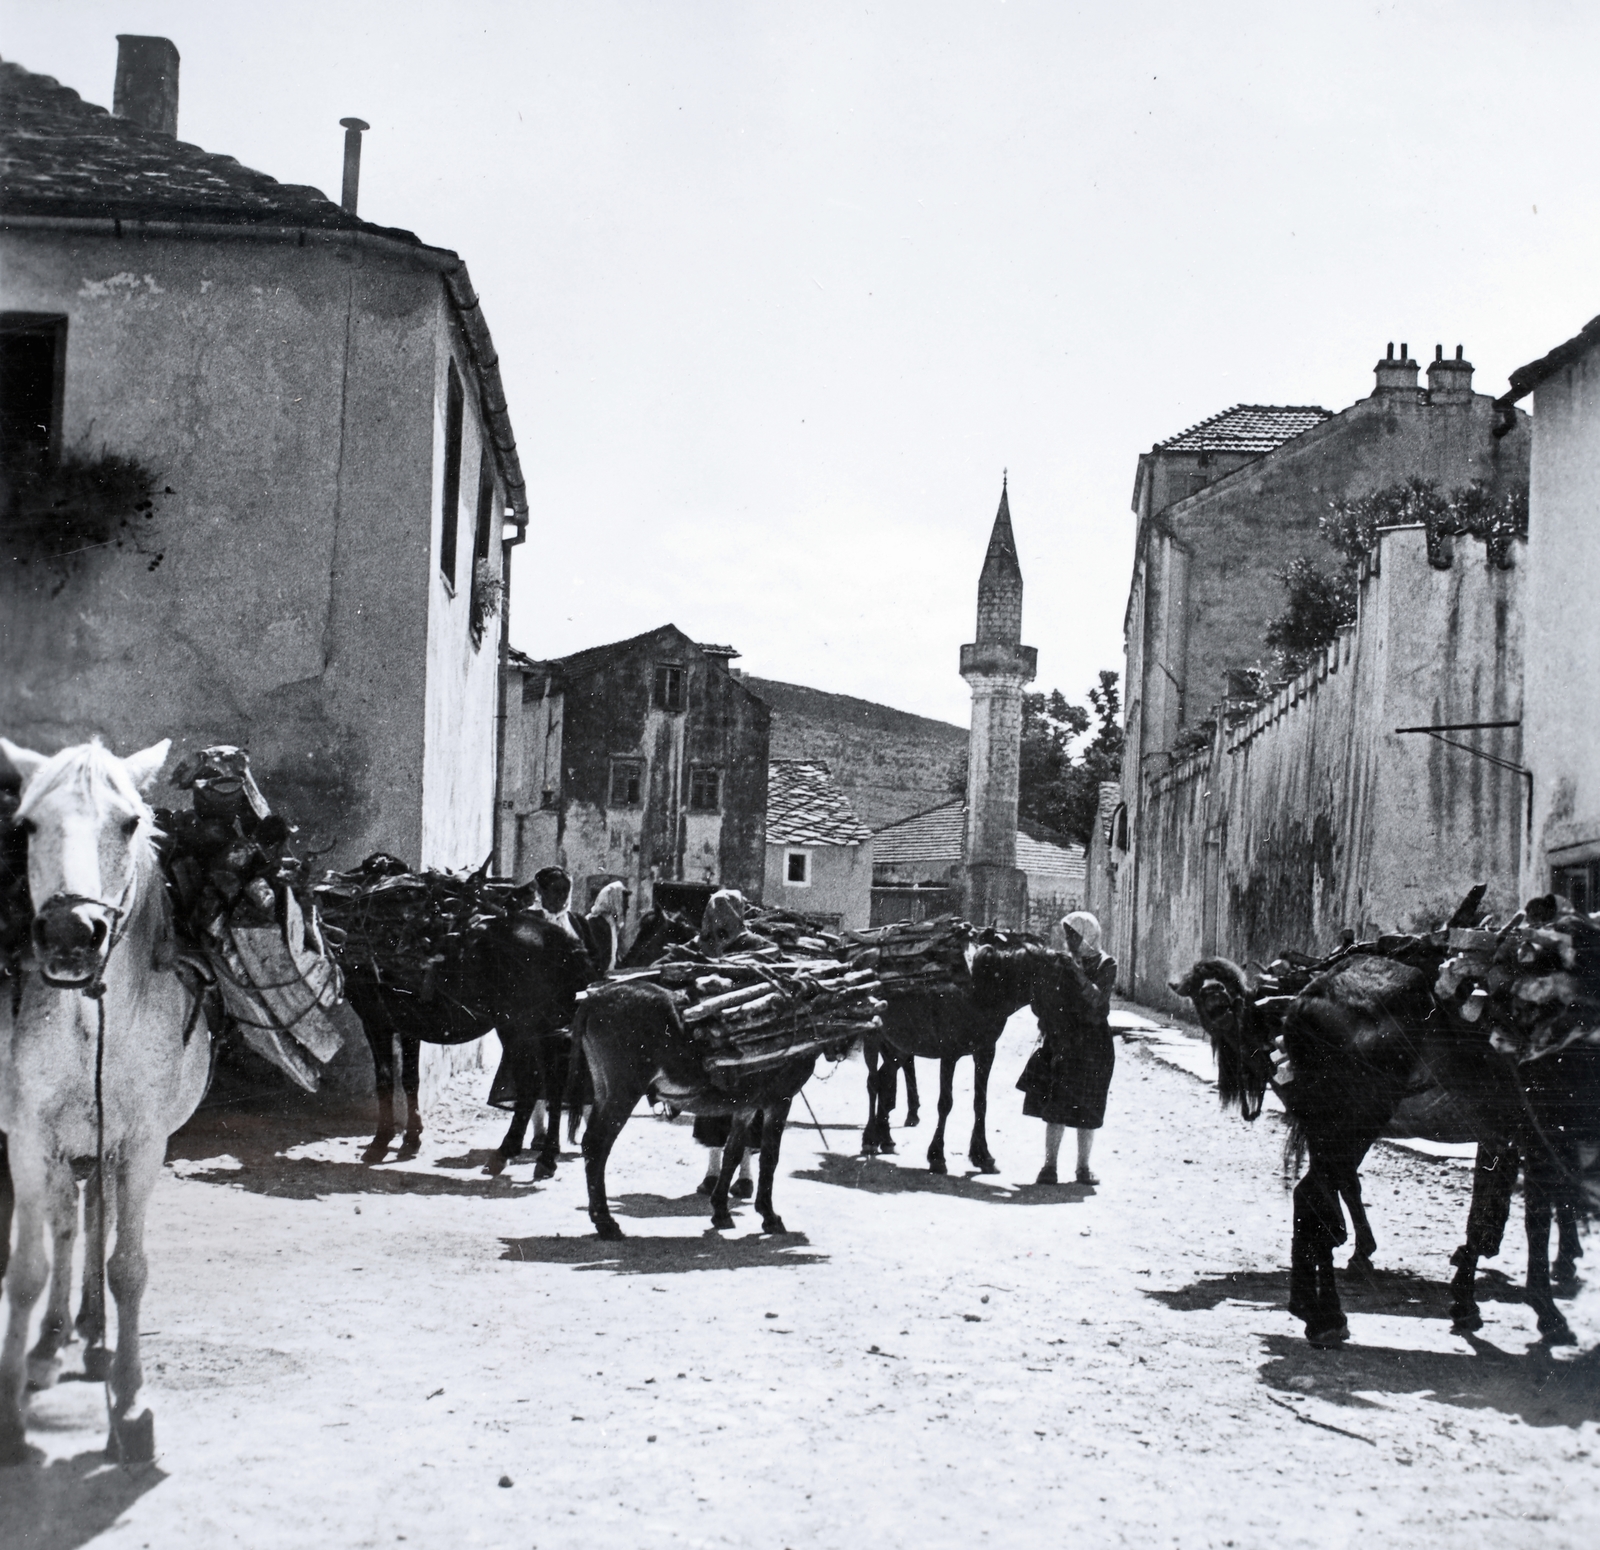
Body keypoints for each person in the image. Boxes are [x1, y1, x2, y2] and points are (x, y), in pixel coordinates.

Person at [1017, 910, 1118, 1186]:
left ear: (1088, 935)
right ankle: (1049, 1167)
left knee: (1089, 1106)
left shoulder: (1107, 964)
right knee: (1056, 1105)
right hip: (1064, 1041)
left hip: (1093, 1044)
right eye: (1068, 935)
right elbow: (1042, 998)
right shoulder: (1059, 963)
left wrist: (1075, 971)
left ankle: (1083, 1168)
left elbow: (1098, 1001)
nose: (1070, 941)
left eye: (1074, 935)